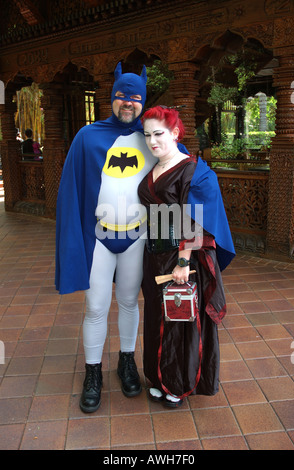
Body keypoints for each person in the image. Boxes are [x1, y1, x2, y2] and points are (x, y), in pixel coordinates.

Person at [55, 62, 159, 413]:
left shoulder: (153, 138)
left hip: (137, 236)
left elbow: (179, 173)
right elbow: (70, 190)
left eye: (133, 97)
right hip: (98, 236)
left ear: (142, 101)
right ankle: (92, 372)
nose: (126, 103)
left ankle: (126, 361)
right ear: (110, 99)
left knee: (130, 302)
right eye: (120, 96)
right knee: (96, 306)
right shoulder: (87, 136)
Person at [138, 106, 235, 407]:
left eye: (159, 134)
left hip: (181, 258)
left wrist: (183, 261)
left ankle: (177, 384)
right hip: (153, 255)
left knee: (178, 322)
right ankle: (159, 378)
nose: (152, 141)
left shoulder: (194, 171)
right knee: (157, 316)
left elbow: (195, 220)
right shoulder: (155, 168)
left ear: (175, 133)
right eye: (148, 135)